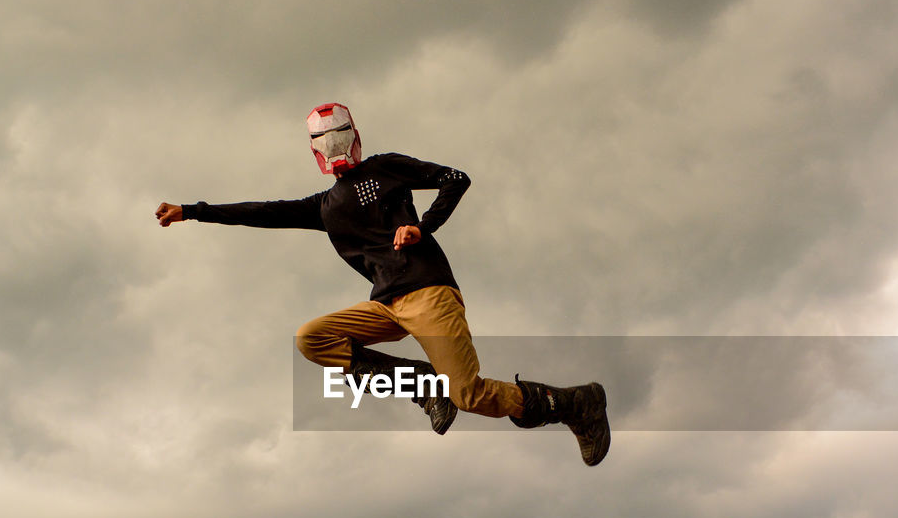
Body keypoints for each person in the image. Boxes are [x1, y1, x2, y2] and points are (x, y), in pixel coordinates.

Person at [156, 102, 609, 466]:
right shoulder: (324, 207)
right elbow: (263, 211)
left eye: (338, 137)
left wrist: (423, 226)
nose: (333, 147)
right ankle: (422, 387)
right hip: (386, 306)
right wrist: (193, 211)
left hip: (429, 292)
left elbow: (455, 179)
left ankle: (573, 403)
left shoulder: (384, 169)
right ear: (313, 152)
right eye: (322, 142)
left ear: (355, 138)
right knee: (311, 338)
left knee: (467, 394)